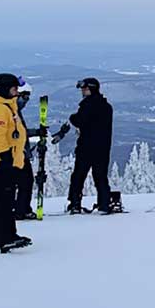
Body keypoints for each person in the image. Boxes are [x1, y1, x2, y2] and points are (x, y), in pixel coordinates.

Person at [0, 73, 31, 252]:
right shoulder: (0, 110)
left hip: (6, 162)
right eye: (14, 88)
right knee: (5, 201)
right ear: (3, 90)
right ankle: (6, 237)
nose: (17, 92)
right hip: (1, 164)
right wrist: (6, 158)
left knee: (3, 200)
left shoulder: (8, 107)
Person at [66, 77, 116, 214]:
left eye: (84, 88)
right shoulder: (106, 106)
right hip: (103, 148)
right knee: (100, 176)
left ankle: (75, 203)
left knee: (78, 176)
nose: (82, 91)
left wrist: (72, 117)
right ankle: (104, 204)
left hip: (86, 147)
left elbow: (79, 121)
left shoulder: (87, 106)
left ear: (91, 89)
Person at [13, 78, 47, 220]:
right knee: (25, 182)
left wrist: (36, 132)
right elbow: (17, 132)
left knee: (23, 182)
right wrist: (36, 132)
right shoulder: (12, 111)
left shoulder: (15, 110)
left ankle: (20, 208)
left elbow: (21, 131)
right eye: (25, 97)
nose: (26, 101)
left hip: (20, 152)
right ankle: (21, 210)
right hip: (18, 154)